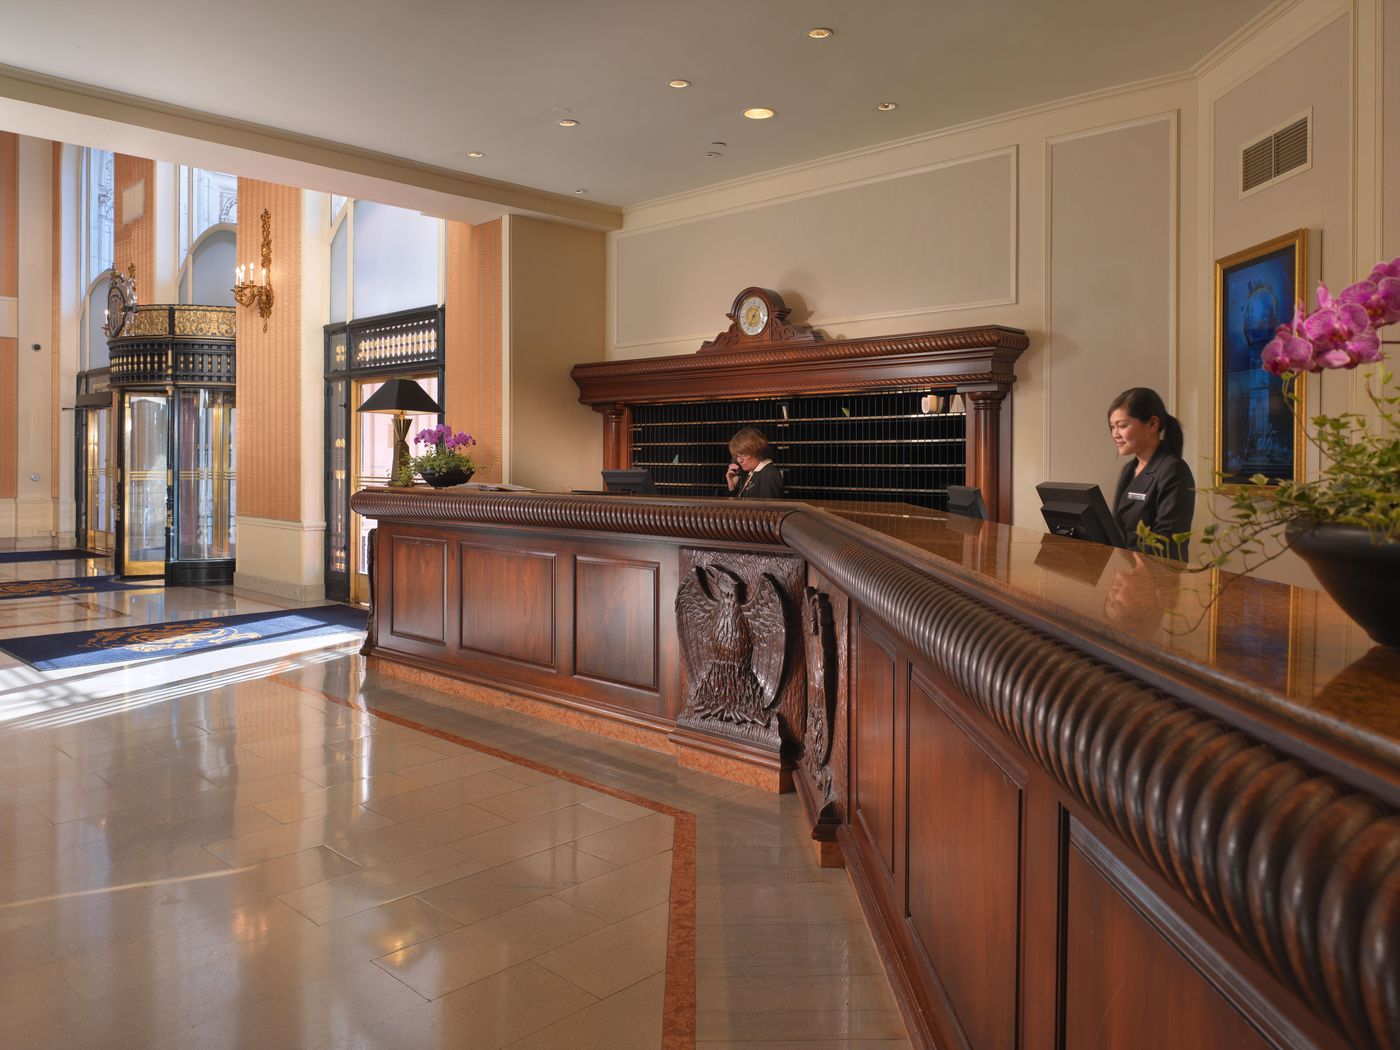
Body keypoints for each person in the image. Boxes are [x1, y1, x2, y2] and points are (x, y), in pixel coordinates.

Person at [1108, 387, 1195, 561]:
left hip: (1158, 577)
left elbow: (1167, 540)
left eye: (1122, 426)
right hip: (1128, 574)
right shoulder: (1128, 470)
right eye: (1112, 427)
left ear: (1152, 424)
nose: (1115, 434)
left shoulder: (1174, 469)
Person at [725, 427, 784, 499]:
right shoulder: (750, 473)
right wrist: (732, 487)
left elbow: (767, 508)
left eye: (743, 455)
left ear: (755, 451)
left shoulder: (769, 473)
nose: (739, 460)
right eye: (737, 456)